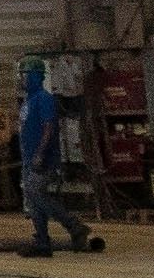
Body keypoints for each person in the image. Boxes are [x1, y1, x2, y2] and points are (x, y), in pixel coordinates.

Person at [15, 59, 102, 260]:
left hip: (43, 160)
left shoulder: (44, 99)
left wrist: (40, 153)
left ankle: (74, 226)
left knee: (35, 194)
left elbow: (48, 128)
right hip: (30, 159)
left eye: (25, 75)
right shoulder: (28, 101)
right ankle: (43, 243)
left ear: (35, 76)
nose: (22, 79)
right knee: (34, 202)